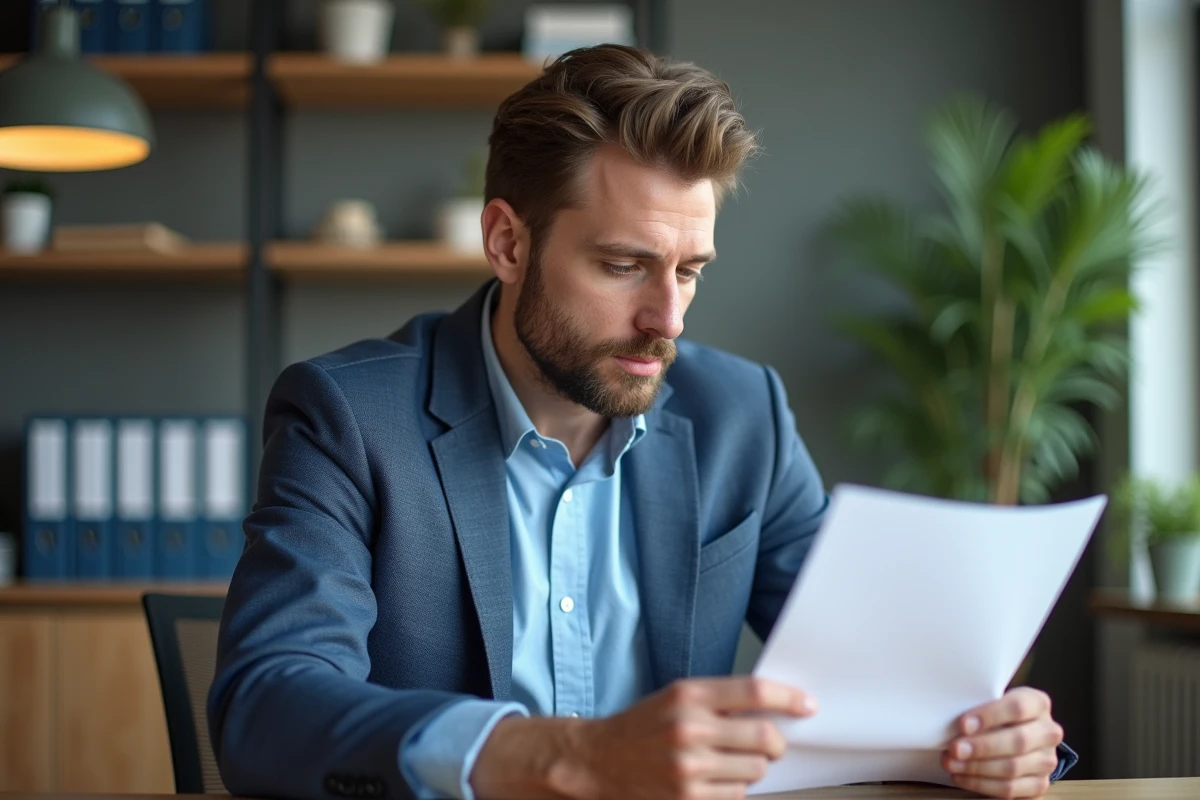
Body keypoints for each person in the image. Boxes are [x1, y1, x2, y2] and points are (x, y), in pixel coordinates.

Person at [208, 44, 1074, 800]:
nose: (670, 320)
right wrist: (567, 760)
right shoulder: (350, 416)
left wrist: (992, 736)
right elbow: (268, 702)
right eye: (624, 266)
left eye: (690, 270)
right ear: (507, 243)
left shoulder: (743, 417)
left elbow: (886, 674)